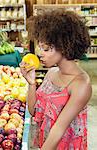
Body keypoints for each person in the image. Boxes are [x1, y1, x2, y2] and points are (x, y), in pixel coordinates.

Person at [20, 10, 92, 150]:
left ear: (65, 46)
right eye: (40, 47)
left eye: (46, 49)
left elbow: (58, 130)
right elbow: (34, 111)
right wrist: (32, 83)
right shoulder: (51, 73)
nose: (40, 53)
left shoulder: (81, 85)